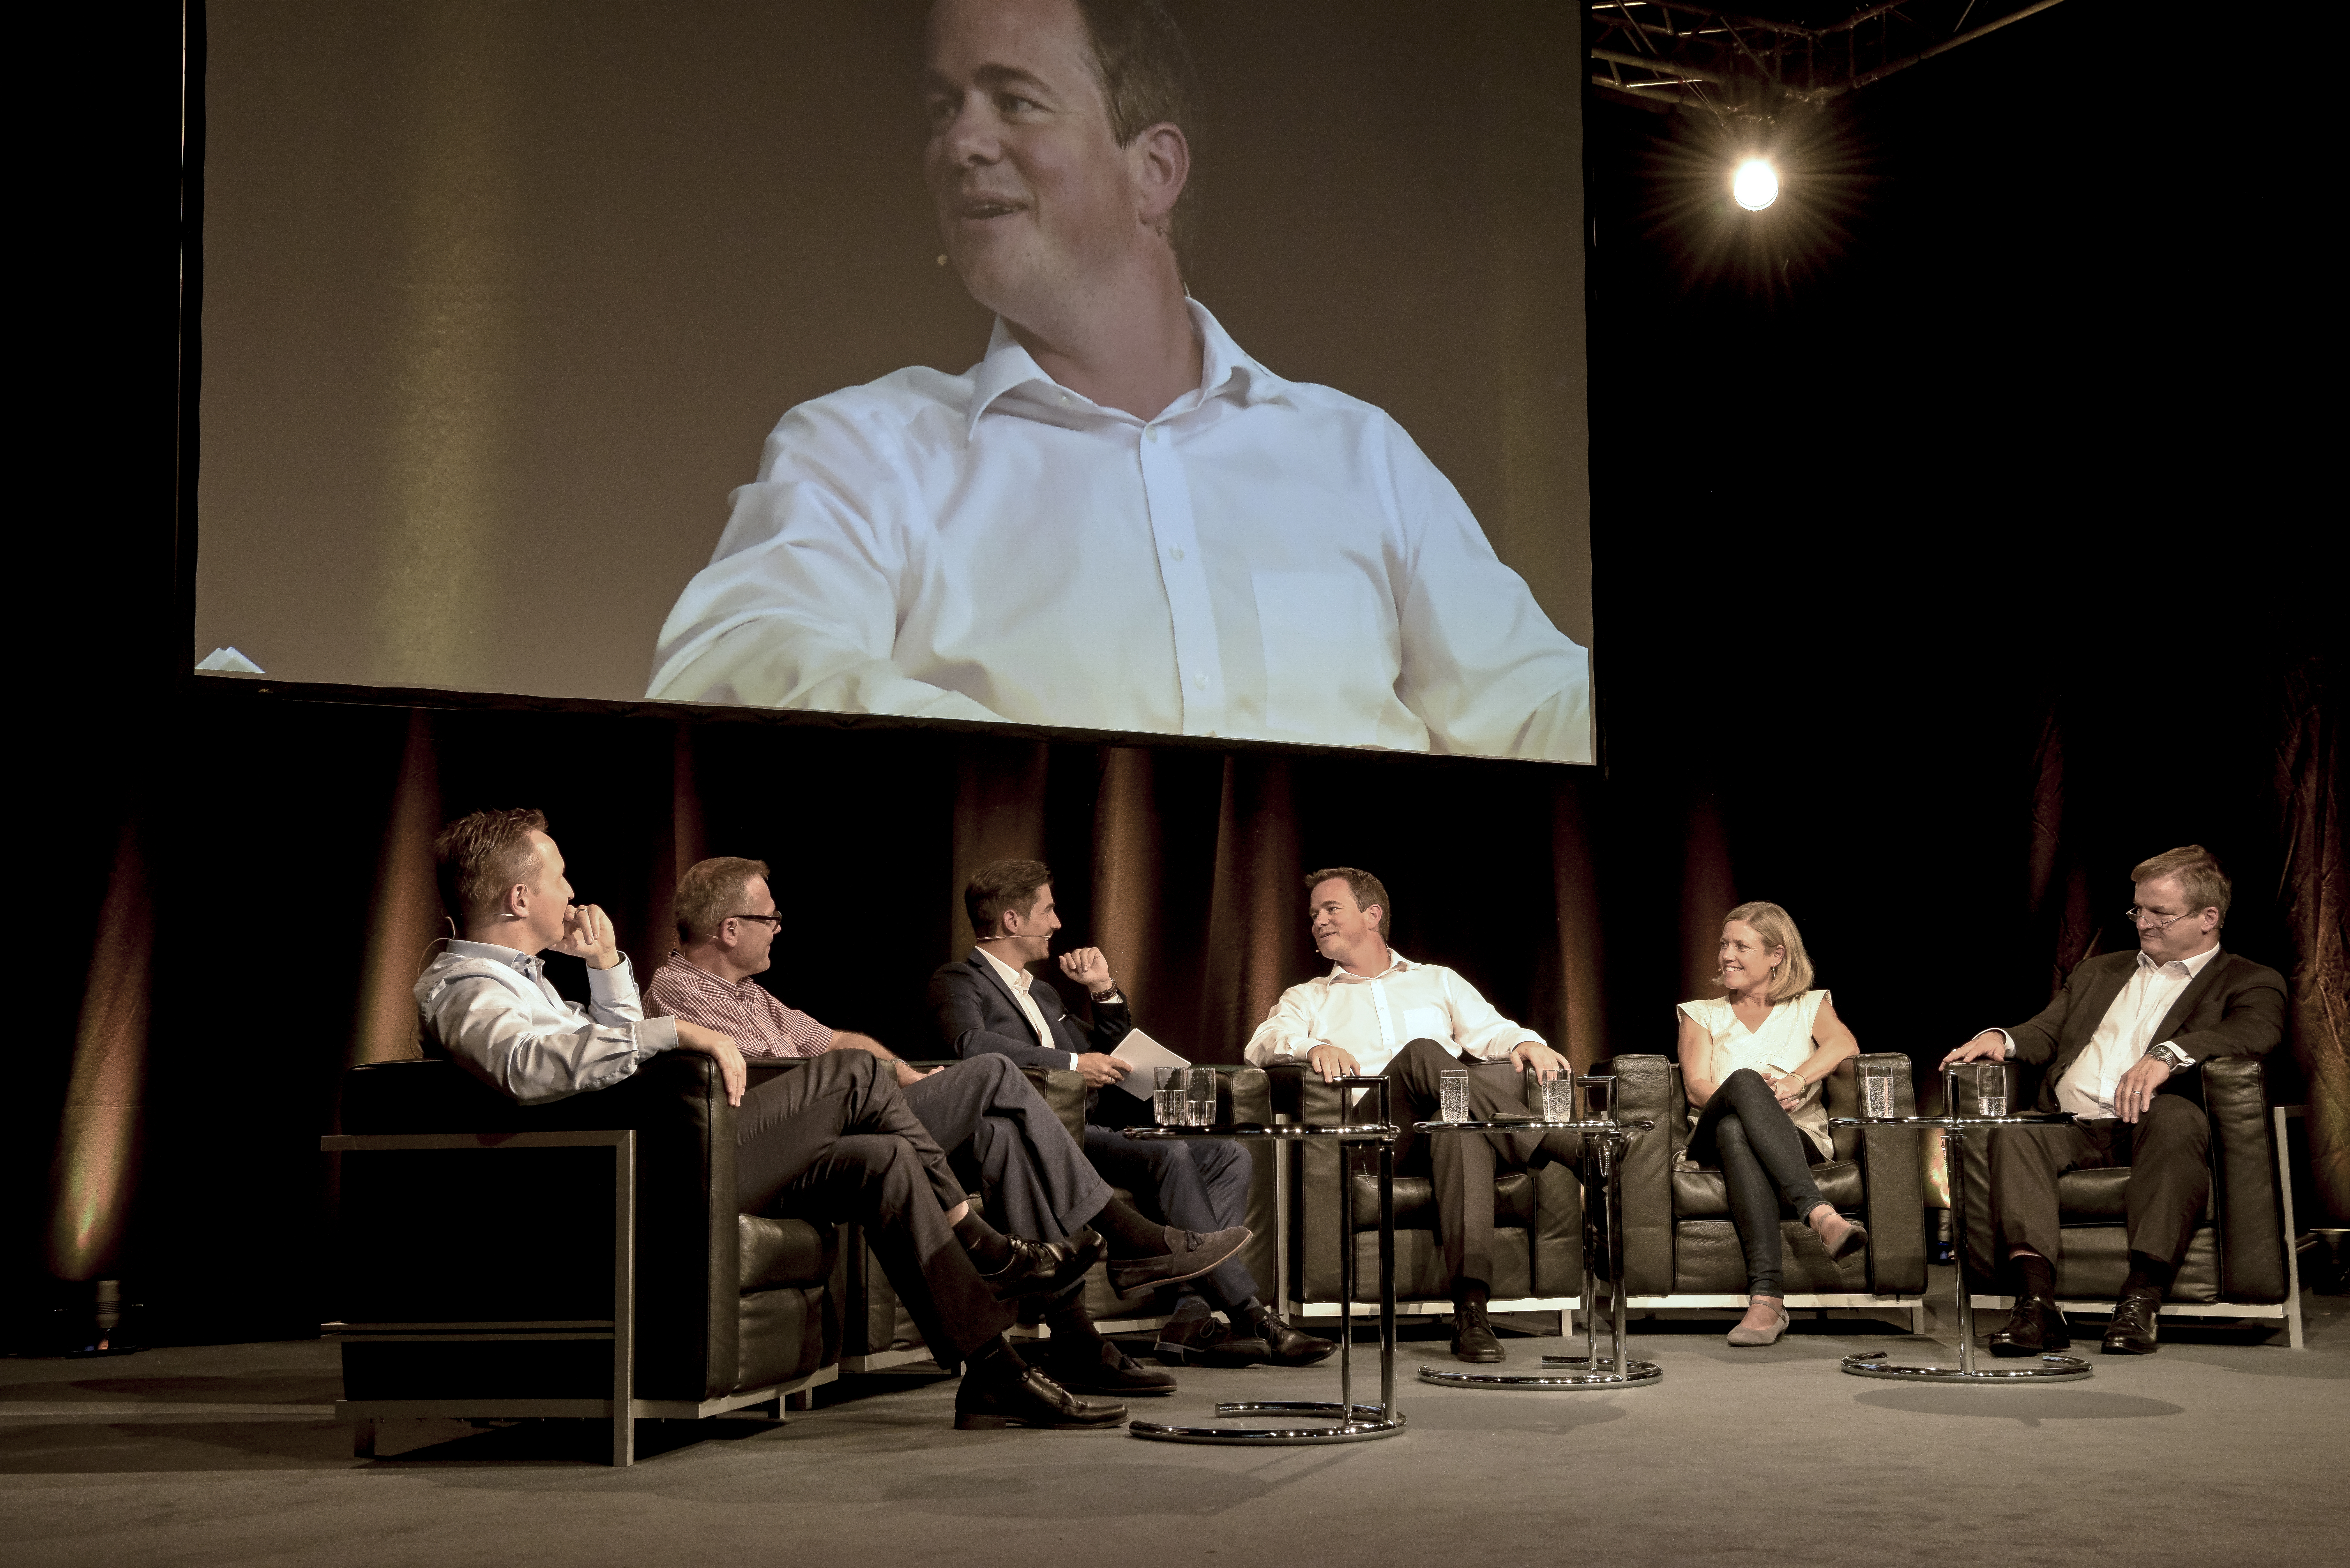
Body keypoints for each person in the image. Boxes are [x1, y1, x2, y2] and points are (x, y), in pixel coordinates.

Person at [645, 0, 1591, 763]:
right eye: (945, 108)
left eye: (1012, 100)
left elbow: (1536, 707)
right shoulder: (863, 450)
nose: (962, 142)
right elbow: (730, 664)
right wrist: (1063, 770)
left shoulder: (1357, 454)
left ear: (1155, 171)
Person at [413, 808, 1121, 1430]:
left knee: (884, 1161)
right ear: (518, 897)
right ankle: (986, 1244)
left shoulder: (523, 980)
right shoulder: (464, 988)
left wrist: (603, 966)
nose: (572, 891)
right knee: (853, 1072)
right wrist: (675, 1032)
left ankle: (992, 1370)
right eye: (559, 876)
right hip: (641, 1179)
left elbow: (613, 1061)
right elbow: (525, 1066)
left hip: (671, 1157)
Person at [646, 854, 1243, 1398]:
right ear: (730, 929)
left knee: (999, 1132)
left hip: (842, 1139)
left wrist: (907, 1078)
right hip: (765, 1152)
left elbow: (836, 1041)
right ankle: (1127, 1238)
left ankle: (1069, 1339)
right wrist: (876, 1081)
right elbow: (778, 1085)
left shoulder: (754, 995)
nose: (779, 927)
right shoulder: (681, 990)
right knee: (992, 1070)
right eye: (770, 918)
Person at [929, 857, 1333, 1369]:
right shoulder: (958, 981)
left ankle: (1190, 1313)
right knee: (1171, 1156)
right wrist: (1074, 1064)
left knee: (1228, 1155)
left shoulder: (1044, 993)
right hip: (1041, 1136)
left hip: (1094, 1129)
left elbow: (1114, 1051)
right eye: (1048, 911)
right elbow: (971, 1045)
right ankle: (1251, 1313)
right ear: (1012, 921)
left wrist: (1103, 990)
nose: (1057, 923)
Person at [1943, 846, 2286, 1356]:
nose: (2144, 923)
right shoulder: (2100, 972)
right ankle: (2036, 1304)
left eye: (2160, 914)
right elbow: (2046, 1030)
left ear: (2209, 918)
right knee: (2016, 1131)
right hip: (2073, 1125)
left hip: (2154, 1123)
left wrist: (2169, 1054)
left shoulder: (2248, 979)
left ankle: (2141, 1300)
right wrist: (2002, 1038)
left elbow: (2257, 1030)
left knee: (2174, 1119)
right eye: (2138, 910)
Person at [1243, 867, 1578, 1363]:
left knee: (1455, 1123)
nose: (1318, 922)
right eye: (1314, 914)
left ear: (1372, 915)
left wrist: (1528, 1042)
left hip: (1439, 1132)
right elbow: (1261, 1046)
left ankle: (1471, 1314)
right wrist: (1314, 1045)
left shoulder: (1437, 981)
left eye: (1331, 909)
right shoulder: (1309, 996)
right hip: (1371, 1139)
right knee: (1423, 1052)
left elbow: (1492, 1031)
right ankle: (1558, 1144)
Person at [1675, 902, 1868, 1348]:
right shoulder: (1701, 1013)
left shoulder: (1809, 1005)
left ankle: (1767, 1302)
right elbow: (1699, 1087)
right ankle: (1819, 1213)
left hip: (1796, 1134)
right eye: (1724, 944)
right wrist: (1754, 1094)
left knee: (1737, 1132)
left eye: (1741, 946)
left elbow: (1844, 1044)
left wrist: (1797, 1079)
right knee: (1741, 1087)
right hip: (1707, 1132)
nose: (1727, 955)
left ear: (1776, 955)